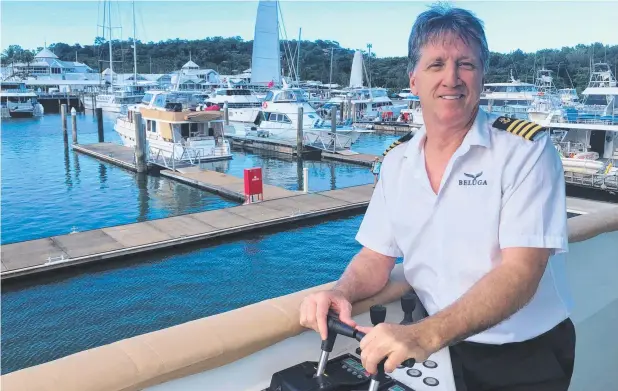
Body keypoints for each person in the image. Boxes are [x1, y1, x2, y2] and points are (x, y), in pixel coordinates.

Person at [299, 4, 574, 391]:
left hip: (523, 357)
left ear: (481, 77)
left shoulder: (525, 150)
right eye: (436, 64)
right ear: (413, 81)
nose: (452, 78)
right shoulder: (397, 161)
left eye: (466, 64)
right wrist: (339, 292)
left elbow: (521, 272)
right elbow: (376, 257)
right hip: (439, 348)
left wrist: (423, 336)